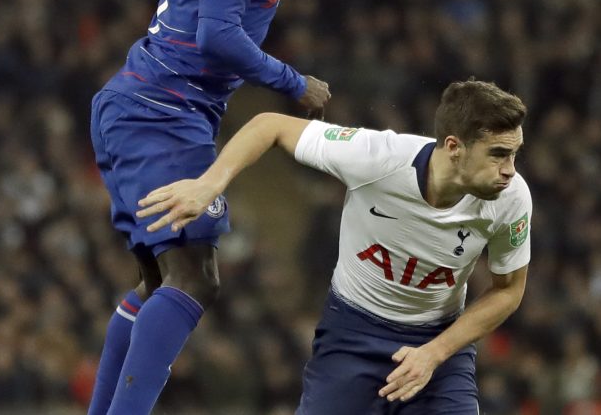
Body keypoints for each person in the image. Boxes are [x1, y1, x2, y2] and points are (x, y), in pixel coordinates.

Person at [88, 0, 331, 415]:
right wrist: (292, 81)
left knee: (157, 278)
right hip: (162, 114)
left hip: (134, 103)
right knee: (195, 277)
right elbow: (217, 35)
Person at [138, 79, 533, 413]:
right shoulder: (378, 157)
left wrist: (435, 352)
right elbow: (269, 125)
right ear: (454, 146)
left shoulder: (512, 199)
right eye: (498, 154)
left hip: (438, 340)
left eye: (514, 153)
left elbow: (509, 290)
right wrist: (210, 184)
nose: (510, 169)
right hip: (353, 333)